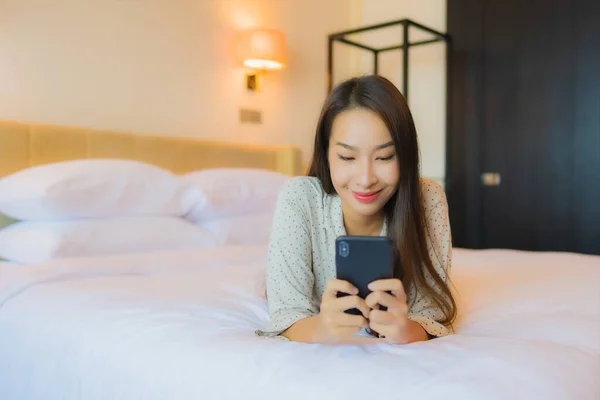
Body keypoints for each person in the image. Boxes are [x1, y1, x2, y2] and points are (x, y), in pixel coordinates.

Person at [256, 75, 457, 344]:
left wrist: (407, 330)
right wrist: (320, 329)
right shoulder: (300, 198)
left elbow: (432, 315)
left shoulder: (427, 199)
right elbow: (286, 314)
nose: (365, 178)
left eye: (385, 157)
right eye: (347, 157)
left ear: (405, 155)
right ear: (326, 155)